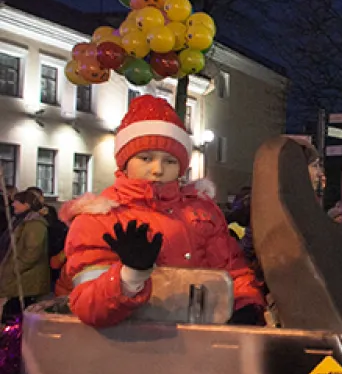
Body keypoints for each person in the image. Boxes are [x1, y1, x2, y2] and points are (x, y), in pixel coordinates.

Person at [59, 96, 265, 328]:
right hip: (128, 347)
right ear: (125, 162)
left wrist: (245, 304)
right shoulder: (99, 218)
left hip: (203, 342)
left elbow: (232, 270)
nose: (157, 169)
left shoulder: (202, 211)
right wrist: (129, 276)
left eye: (169, 161)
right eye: (145, 158)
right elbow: (88, 306)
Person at [0, 190, 50, 320]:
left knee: (16, 316)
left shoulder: (35, 224)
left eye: (16, 202)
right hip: (18, 278)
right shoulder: (20, 221)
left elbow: (32, 252)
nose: (12, 205)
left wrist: (13, 269)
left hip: (26, 280)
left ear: (26, 204)